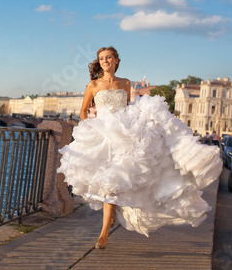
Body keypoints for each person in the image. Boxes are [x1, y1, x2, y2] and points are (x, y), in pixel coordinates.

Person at [57, 46, 222, 249]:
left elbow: (126, 108)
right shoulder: (92, 85)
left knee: (116, 181)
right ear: (99, 62)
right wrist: (89, 126)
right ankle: (106, 226)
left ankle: (104, 233)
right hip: (101, 135)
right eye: (101, 58)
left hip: (124, 134)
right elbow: (83, 111)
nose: (105, 61)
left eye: (108, 57)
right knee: (107, 180)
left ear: (116, 60)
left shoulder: (125, 83)